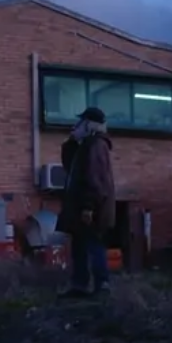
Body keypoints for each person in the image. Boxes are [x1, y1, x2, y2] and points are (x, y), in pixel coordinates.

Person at [56, 107, 115, 297]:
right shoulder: (86, 146)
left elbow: (95, 177)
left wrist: (89, 206)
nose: (77, 125)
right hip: (82, 206)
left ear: (89, 124)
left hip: (91, 207)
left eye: (81, 122)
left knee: (93, 244)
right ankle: (80, 285)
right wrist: (71, 143)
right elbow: (70, 165)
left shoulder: (96, 145)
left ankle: (101, 284)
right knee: (80, 246)